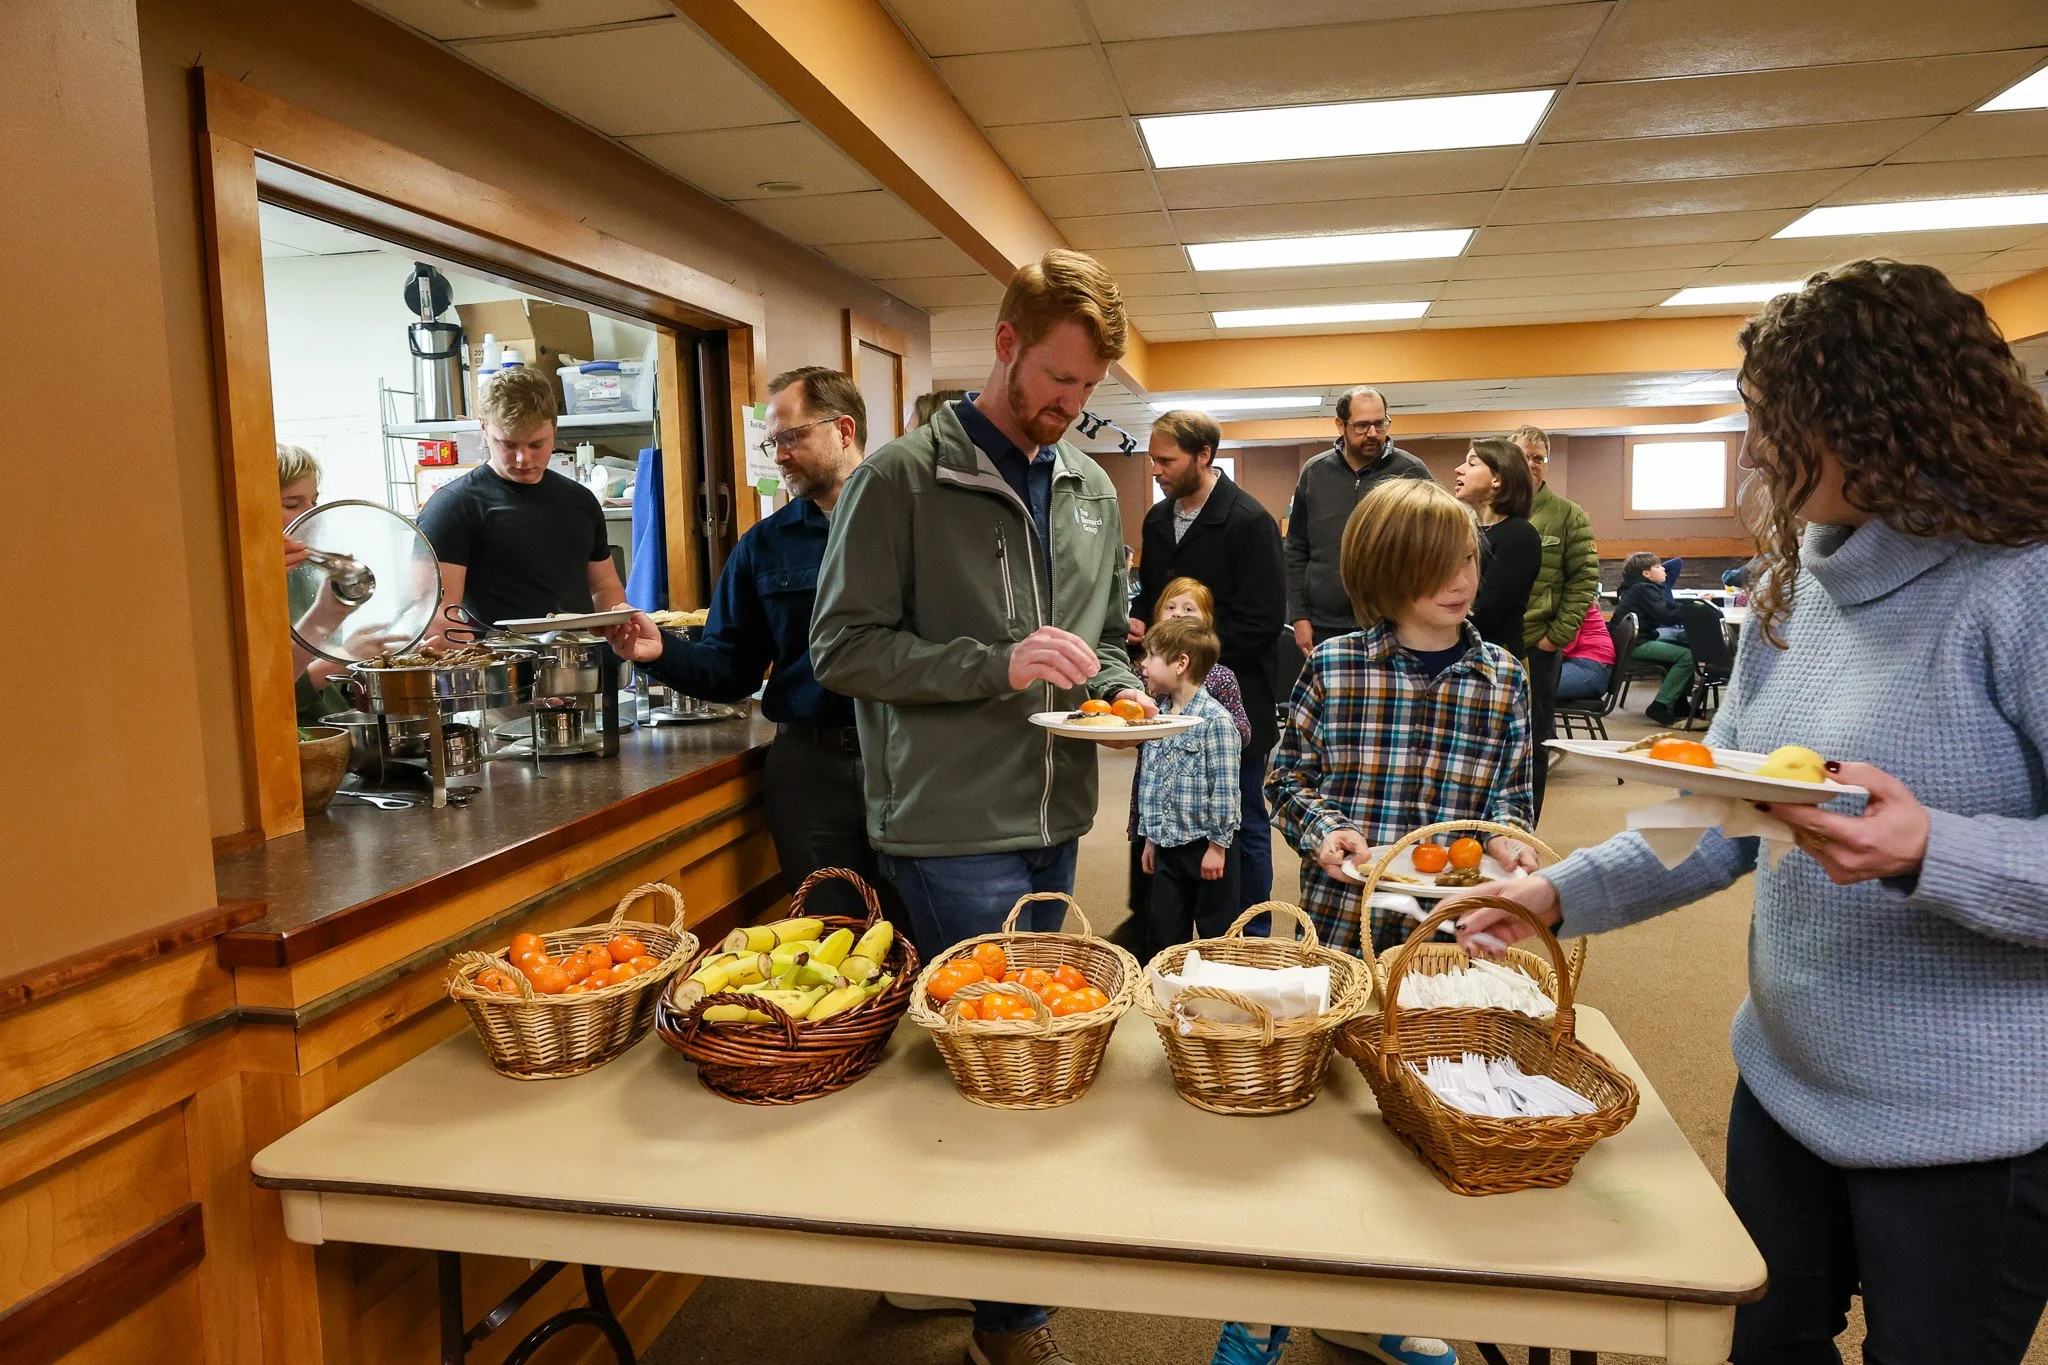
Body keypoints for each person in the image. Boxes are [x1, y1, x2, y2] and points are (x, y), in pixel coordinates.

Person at [1455, 259, 2048, 1365]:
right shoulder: (1794, 583)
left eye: (1780, 423)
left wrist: (1932, 847)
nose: (1756, 454)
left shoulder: (2021, 582)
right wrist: (1551, 894)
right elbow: (1717, 814)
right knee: (1762, 1344)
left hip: (1975, 1126)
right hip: (1788, 1079)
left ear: (1889, 418)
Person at [811, 248, 1148, 1365]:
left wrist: (1120, 686)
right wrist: (991, 665)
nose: (1067, 406)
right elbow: (841, 650)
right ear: (1003, 343)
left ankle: (941, 1261)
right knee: (1008, 1067)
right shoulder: (900, 478)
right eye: (1054, 380)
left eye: (1087, 390)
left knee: (1008, 1053)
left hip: (1054, 809)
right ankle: (1010, 1323)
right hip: (948, 823)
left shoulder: (1092, 487)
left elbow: (1093, 642)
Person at [1242, 478, 1535, 1365]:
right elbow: (1285, 783)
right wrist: (1328, 834)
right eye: (1435, 564)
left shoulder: (1504, 679)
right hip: (1339, 934)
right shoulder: (1333, 669)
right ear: (1383, 572)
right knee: (1319, 1123)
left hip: (1449, 952)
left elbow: (1510, 812)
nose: (1461, 577)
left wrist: (1512, 851)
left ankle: (1382, 1302)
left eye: (1470, 558)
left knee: (1421, 1120)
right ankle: (1264, 1306)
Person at [604, 367, 874, 913]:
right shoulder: (763, 547)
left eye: (791, 436)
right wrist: (660, 652)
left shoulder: (911, 523)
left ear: (844, 430)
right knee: (834, 940)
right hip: (812, 770)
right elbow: (732, 670)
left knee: (933, 936)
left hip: (912, 758)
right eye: (772, 441)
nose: (779, 455)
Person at [1130, 409, 1286, 907]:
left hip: (1235, 699)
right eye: (1152, 460)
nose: (1156, 470)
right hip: (1169, 703)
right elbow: (1152, 597)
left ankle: (1252, 929)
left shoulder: (1250, 521)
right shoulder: (1157, 519)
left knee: (1242, 817)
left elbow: (1262, 622)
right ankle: (1161, 923)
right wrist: (1139, 624)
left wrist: (1186, 652)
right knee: (1160, 809)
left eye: (1166, 460)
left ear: (1204, 455)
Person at [417, 365, 626, 634]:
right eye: (509, 444)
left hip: (583, 665)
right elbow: (439, 615)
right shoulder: (452, 507)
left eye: (537, 444)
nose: (523, 459)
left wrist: (618, 629)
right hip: (499, 669)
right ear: (484, 427)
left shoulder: (580, 501)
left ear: (554, 427)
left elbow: (604, 587)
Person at [1125, 578, 1253, 944]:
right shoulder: (1158, 717)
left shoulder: (1215, 721)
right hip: (1166, 846)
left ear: (1181, 663)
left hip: (1207, 847)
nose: (1144, 665)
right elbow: (1150, 782)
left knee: (1216, 934)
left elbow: (1226, 791)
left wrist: (1217, 846)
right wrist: (1149, 839)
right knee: (1163, 932)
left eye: (1150, 657)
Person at [1284, 386, 1430, 651]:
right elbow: (1296, 547)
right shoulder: (1314, 472)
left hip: (1393, 620)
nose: (1373, 434)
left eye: (1380, 423)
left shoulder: (1411, 470)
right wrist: (1299, 615)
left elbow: (1432, 545)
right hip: (1324, 624)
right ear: (1341, 425)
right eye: (1362, 426)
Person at [1511, 425, 1598, 822]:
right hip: (1491, 643)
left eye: (1539, 458)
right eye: (1524, 456)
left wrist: (1556, 637)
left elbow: (1583, 581)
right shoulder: (1490, 507)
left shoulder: (1566, 514)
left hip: (1537, 645)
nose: (1532, 464)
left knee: (1533, 741)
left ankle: (1526, 826)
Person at [278, 444, 352, 723]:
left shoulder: (307, 572)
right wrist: (345, 659)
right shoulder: (242, 584)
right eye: (291, 504)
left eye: (314, 502)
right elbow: (265, 693)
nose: (312, 514)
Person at [1450, 437, 1541, 657]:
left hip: (1498, 658)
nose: (1458, 470)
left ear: (1497, 479)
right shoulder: (1470, 530)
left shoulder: (1519, 534)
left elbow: (1489, 610)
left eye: (1471, 464)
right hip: (1466, 650)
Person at [1615, 551, 1695, 725]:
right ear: (1646, 573)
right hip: (1636, 645)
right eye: (1658, 567)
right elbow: (1665, 615)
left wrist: (1687, 605)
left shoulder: (1640, 587)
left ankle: (1679, 704)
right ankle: (1660, 705)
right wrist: (1689, 612)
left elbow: (1666, 605)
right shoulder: (1645, 588)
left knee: (1687, 648)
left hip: (1632, 641)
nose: (1664, 570)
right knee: (1688, 656)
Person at [1552, 605, 1614, 703]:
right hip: (1579, 661)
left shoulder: (1577, 603)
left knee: (1535, 688)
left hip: (1592, 666)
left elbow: (1565, 644)